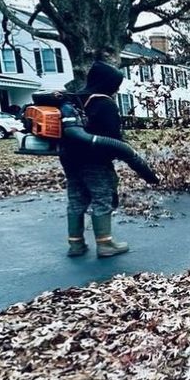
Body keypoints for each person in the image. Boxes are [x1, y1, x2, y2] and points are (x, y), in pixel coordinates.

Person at [60, 61, 131, 258]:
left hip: (69, 159)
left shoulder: (73, 100)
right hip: (95, 161)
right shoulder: (104, 103)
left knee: (76, 199)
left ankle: (76, 245)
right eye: (115, 84)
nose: (116, 89)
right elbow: (112, 138)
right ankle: (105, 244)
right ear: (108, 83)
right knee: (102, 198)